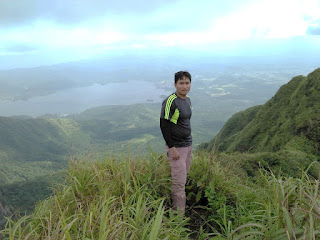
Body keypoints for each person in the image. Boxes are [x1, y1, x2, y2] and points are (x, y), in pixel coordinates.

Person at [160, 71, 192, 213]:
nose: (184, 86)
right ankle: (178, 219)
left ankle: (180, 209)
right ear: (175, 85)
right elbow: (164, 125)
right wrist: (171, 147)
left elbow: (184, 122)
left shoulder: (187, 100)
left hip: (187, 145)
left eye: (187, 83)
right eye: (181, 83)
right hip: (177, 148)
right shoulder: (170, 101)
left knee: (184, 177)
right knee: (178, 183)